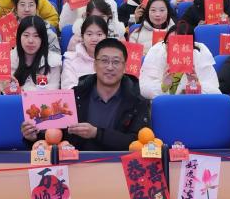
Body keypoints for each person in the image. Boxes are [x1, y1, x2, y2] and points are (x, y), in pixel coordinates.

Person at [21, 38, 150, 151]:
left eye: (116, 62)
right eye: (104, 61)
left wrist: (96, 133)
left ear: (125, 67)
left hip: (119, 166)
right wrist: (33, 137)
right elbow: (56, 136)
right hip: (77, 165)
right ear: (94, 65)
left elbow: (137, 142)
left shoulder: (138, 102)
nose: (110, 67)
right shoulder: (74, 96)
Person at [138, 23, 220, 99]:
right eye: (169, 42)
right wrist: (163, 86)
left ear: (191, 45)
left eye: (180, 43)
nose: (173, 47)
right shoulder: (157, 52)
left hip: (193, 106)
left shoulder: (200, 56)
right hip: (165, 106)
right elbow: (143, 89)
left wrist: (194, 85)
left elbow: (215, 93)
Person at [61, 16, 109, 89]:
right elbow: (68, 88)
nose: (94, 39)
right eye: (89, 34)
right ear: (82, 37)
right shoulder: (70, 60)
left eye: (99, 34)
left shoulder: (114, 59)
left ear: (106, 37)